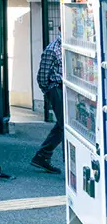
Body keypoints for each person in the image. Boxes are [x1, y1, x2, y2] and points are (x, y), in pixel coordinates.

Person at [33, 34, 64, 173]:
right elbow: (42, 76)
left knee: (63, 124)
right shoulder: (52, 49)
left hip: (63, 89)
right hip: (56, 88)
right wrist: (48, 91)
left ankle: (42, 155)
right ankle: (69, 165)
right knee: (65, 126)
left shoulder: (66, 47)